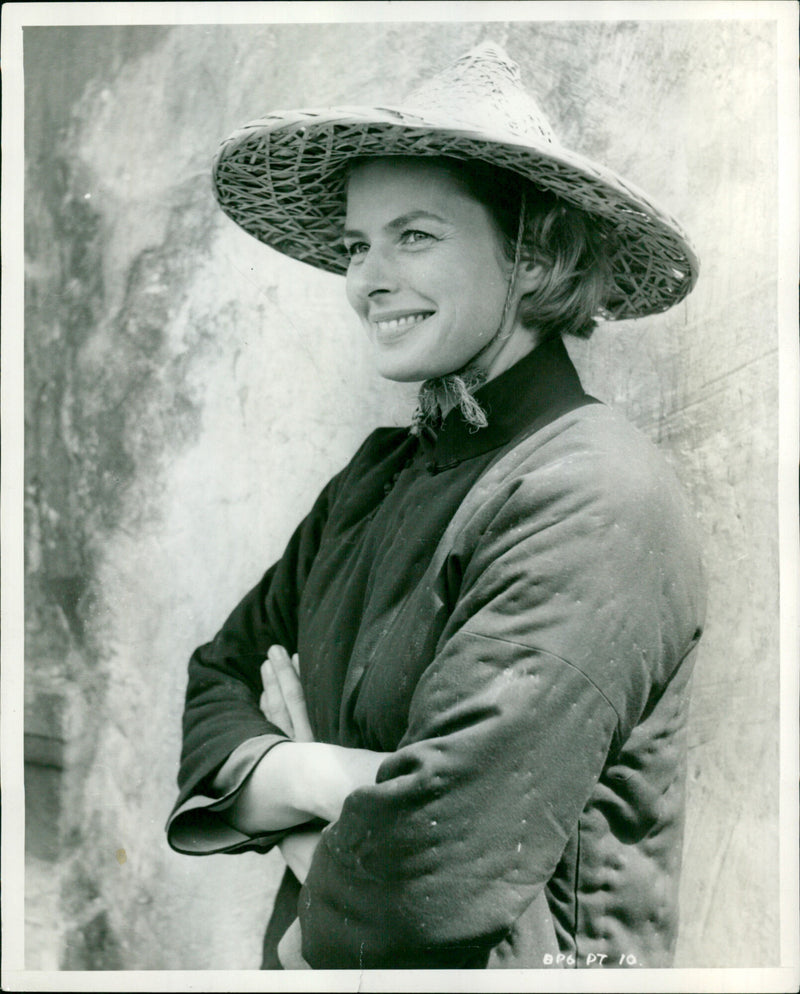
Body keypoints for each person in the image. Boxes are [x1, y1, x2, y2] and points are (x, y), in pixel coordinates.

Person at [166, 42, 706, 970]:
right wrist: (328, 775)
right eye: (354, 245)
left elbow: (432, 868)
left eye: (413, 236)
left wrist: (304, 826)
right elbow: (218, 686)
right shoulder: (375, 481)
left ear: (535, 257)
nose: (367, 279)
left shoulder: (593, 494)